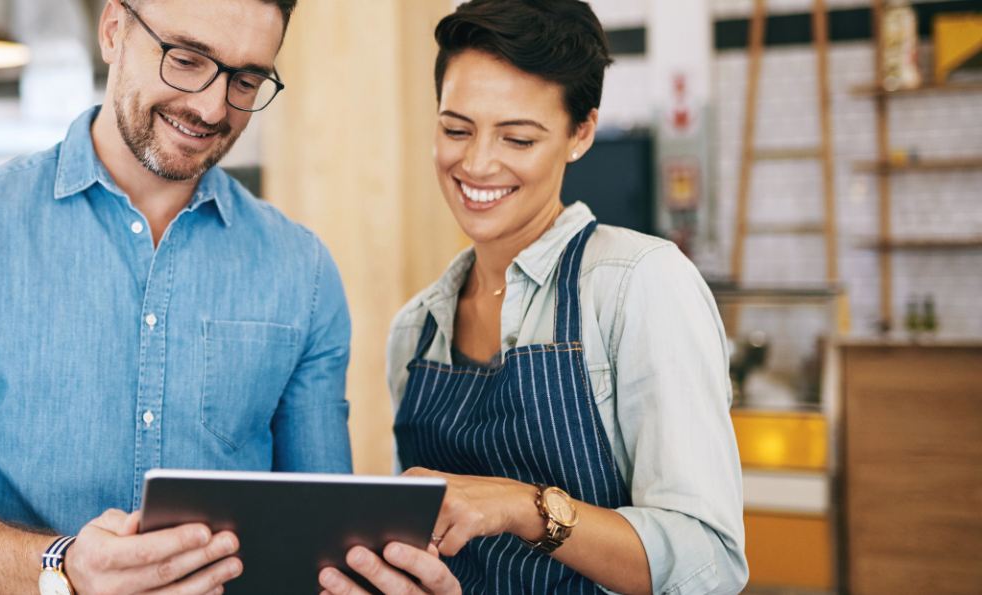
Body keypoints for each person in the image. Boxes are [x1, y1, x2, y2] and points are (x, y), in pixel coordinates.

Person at [0, 1, 354, 594]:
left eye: (245, 80)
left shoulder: (303, 271)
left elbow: (321, 536)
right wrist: (62, 568)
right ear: (113, 30)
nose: (211, 107)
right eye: (186, 60)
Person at [318, 1, 747, 594]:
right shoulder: (415, 330)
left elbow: (709, 562)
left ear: (581, 133)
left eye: (517, 138)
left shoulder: (637, 285)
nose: (476, 163)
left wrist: (522, 506)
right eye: (455, 129)